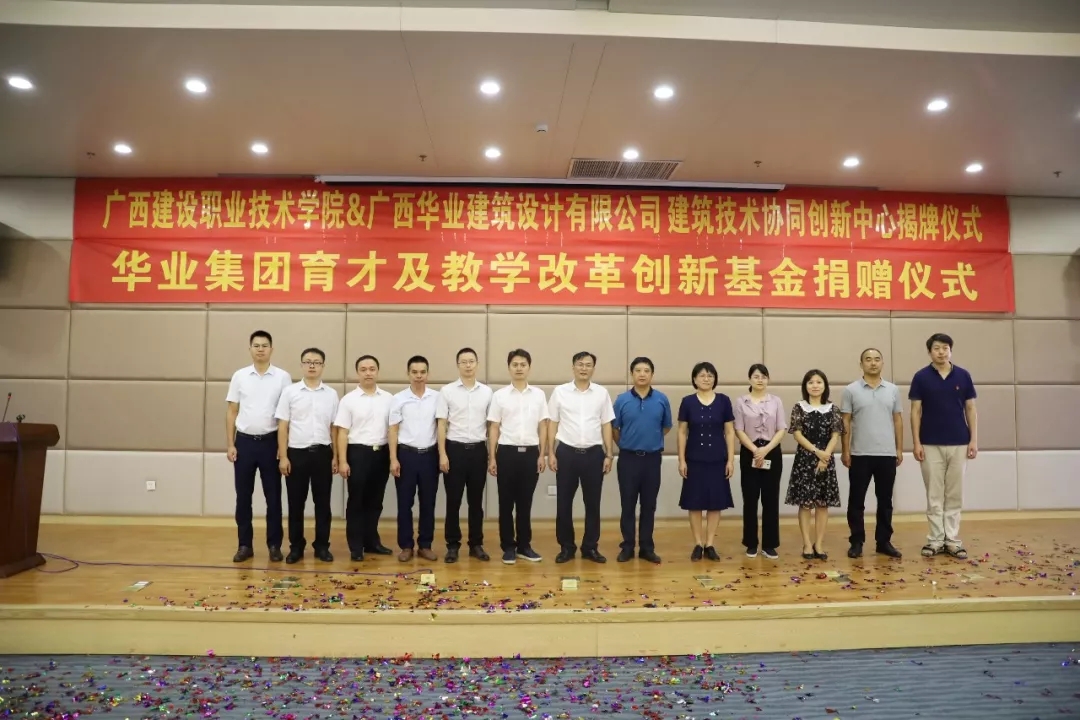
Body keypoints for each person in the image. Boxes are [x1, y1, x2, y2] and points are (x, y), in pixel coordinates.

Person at [909, 333, 978, 560]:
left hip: (960, 442)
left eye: (945, 347)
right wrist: (916, 442)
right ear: (930, 352)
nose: (941, 352)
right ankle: (935, 540)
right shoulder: (921, 377)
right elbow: (915, 411)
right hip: (929, 443)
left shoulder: (963, 375)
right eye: (936, 348)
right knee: (934, 494)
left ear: (951, 350)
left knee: (954, 494)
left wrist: (973, 440)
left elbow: (970, 409)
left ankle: (952, 540)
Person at [225, 330, 291, 563]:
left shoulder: (283, 377)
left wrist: (283, 448)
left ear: (272, 349)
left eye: (264, 345)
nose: (260, 349)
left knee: (273, 498)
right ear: (250, 349)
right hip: (244, 443)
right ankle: (245, 545)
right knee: (243, 497)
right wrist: (230, 444)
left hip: (271, 443)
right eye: (256, 345)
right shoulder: (240, 376)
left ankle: (274, 545)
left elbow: (286, 416)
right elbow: (232, 411)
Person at [549, 351, 616, 564]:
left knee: (593, 504)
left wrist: (609, 453)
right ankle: (566, 547)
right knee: (563, 503)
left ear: (593, 369)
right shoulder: (560, 392)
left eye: (588, 365)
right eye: (580, 364)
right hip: (566, 453)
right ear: (573, 367)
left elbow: (606, 424)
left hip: (594, 454)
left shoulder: (601, 393)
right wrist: (550, 452)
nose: (584, 368)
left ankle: (590, 547)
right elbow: (553, 423)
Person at [275, 347, 340, 564]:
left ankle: (322, 546)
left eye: (317, 362)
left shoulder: (331, 394)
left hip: (323, 453)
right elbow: (283, 426)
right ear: (302, 365)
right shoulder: (290, 392)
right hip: (296, 454)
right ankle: (296, 547)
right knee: (296, 504)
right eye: (308, 362)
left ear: (323, 366)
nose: (312, 365)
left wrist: (335, 457)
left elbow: (334, 428)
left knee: (323, 504)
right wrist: (284, 457)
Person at [487, 348, 549, 564]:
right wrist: (492, 457)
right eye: (515, 364)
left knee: (525, 503)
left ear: (529, 367)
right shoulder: (500, 396)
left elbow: (543, 426)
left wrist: (542, 454)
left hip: (531, 453)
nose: (519, 368)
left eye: (523, 364)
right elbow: (494, 427)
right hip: (506, 453)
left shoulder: (539, 395)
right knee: (505, 503)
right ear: (509, 368)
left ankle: (524, 546)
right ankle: (508, 547)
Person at [840, 348, 904, 560]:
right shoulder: (851, 390)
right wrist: (846, 450)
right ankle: (856, 541)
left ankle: (883, 542)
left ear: (882, 363)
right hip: (859, 454)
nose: (873, 363)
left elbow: (897, 420)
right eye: (868, 359)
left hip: (886, 454)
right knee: (856, 501)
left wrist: (899, 448)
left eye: (877, 359)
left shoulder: (893, 389)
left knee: (885, 501)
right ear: (861, 364)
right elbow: (845, 422)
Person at [334, 354, 394, 562]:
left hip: (381, 454)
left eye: (372, 369)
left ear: (377, 372)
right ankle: (356, 546)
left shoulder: (388, 399)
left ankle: (372, 542)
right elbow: (342, 432)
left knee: (375, 502)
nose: (368, 373)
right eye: (363, 369)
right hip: (357, 453)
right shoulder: (348, 400)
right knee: (356, 501)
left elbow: (393, 429)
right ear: (357, 373)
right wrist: (343, 461)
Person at [612, 356, 672, 564]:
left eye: (646, 370)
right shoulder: (622, 400)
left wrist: (650, 440)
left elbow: (666, 426)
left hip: (652, 459)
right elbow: (614, 429)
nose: (642, 374)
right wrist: (626, 443)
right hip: (628, 459)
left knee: (649, 505)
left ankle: (647, 547)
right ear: (632, 374)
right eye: (638, 370)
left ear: (652, 374)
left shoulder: (662, 399)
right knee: (627, 504)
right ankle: (627, 546)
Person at [437, 347, 493, 563]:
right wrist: (443, 454)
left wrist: (491, 454)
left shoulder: (487, 392)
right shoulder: (447, 391)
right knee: (453, 501)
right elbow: (441, 424)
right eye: (464, 362)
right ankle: (452, 545)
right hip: (454, 450)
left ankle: (476, 544)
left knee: (476, 502)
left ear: (477, 364)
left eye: (471, 361)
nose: (468, 365)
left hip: (478, 450)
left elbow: (491, 425)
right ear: (458, 365)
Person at [677, 361, 736, 561]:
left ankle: (710, 543)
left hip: (718, 459)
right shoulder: (687, 402)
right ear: (694, 379)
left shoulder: (723, 401)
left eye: (710, 375)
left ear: (715, 379)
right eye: (702, 375)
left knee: (715, 502)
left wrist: (730, 460)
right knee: (694, 502)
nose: (706, 379)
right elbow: (682, 432)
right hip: (694, 459)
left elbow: (729, 431)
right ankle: (697, 543)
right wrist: (681, 460)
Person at [785, 369, 843, 561]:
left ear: (825, 386)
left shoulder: (833, 409)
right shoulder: (799, 407)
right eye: (811, 382)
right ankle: (807, 544)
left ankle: (819, 544)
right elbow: (797, 434)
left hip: (826, 460)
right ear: (805, 386)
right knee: (805, 504)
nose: (815, 385)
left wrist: (825, 456)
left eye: (819, 382)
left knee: (822, 504)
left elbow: (835, 435)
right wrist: (817, 452)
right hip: (805, 460)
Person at [388, 355, 441, 562]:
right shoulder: (398, 399)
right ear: (408, 373)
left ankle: (425, 545)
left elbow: (442, 427)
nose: (419, 376)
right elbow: (393, 430)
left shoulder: (437, 398)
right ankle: (406, 546)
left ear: (428, 374)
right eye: (414, 372)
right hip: (406, 455)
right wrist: (393, 458)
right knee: (404, 503)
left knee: (428, 502)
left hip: (430, 456)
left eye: (422, 372)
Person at [733, 363, 786, 560]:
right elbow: (738, 429)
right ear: (750, 379)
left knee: (771, 499)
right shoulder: (741, 402)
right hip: (750, 452)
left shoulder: (776, 401)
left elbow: (781, 428)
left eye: (763, 376)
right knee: (750, 499)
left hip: (771, 451)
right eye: (756, 376)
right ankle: (751, 543)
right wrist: (755, 450)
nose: (760, 380)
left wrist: (766, 449)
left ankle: (770, 544)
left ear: (768, 379)